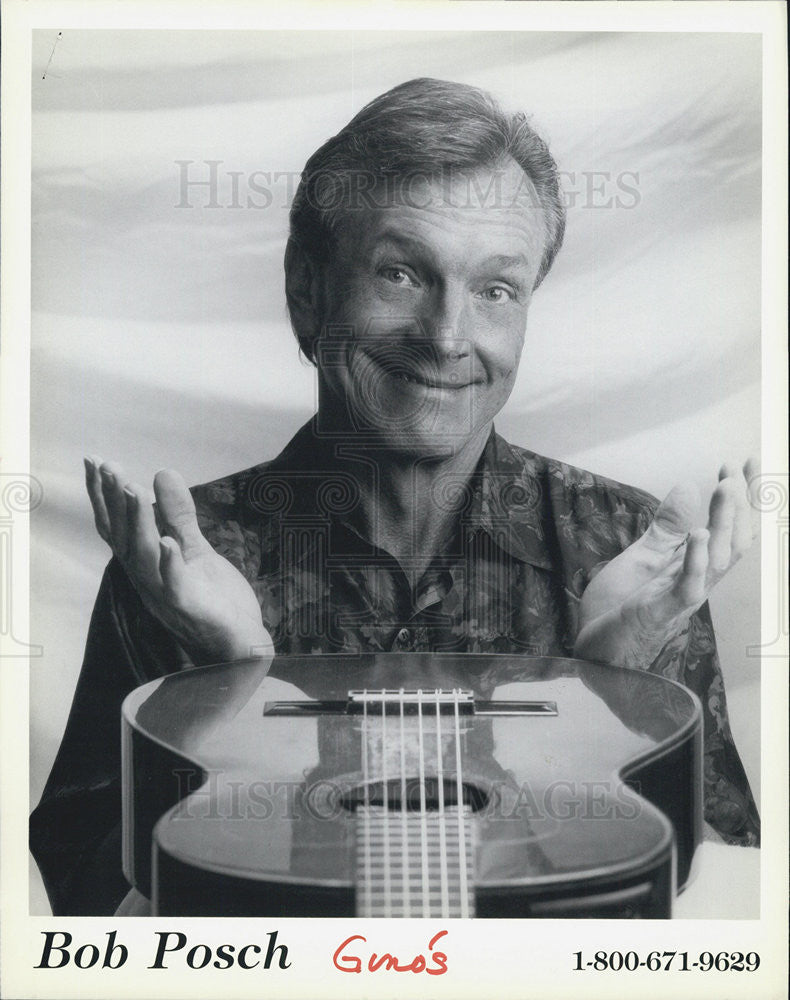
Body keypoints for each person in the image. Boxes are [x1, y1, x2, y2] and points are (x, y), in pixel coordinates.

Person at [30, 78, 760, 917]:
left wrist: (611, 689)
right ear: (307, 291)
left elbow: (718, 917)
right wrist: (230, 688)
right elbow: (88, 908)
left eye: (495, 290)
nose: (448, 338)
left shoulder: (629, 549)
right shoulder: (180, 563)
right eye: (402, 273)